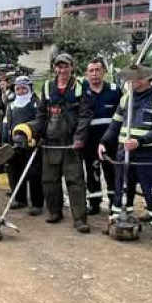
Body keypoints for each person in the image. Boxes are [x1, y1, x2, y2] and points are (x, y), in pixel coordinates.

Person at [100, 65, 152, 243]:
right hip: (124, 153)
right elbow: (115, 124)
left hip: (149, 155)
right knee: (122, 190)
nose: (128, 82)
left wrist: (139, 142)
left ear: (143, 79)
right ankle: (119, 220)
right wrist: (103, 142)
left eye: (132, 79)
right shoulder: (126, 98)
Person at [29, 52, 93, 233]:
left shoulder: (81, 86)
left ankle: (80, 219)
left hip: (71, 143)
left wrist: (80, 137)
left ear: (72, 67)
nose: (63, 69)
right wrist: (37, 134)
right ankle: (55, 212)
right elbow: (41, 114)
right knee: (49, 180)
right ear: (55, 68)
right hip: (50, 142)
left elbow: (85, 115)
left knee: (75, 181)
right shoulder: (48, 87)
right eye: (59, 66)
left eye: (66, 66)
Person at [82, 57, 121, 215]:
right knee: (92, 172)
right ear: (86, 74)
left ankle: (114, 201)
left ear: (104, 72)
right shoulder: (83, 93)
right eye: (91, 71)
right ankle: (94, 201)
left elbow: (122, 114)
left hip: (110, 139)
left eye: (98, 70)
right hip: (90, 140)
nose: (94, 74)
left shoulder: (114, 90)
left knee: (111, 171)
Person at [4, 75, 43, 216]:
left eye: (24, 88)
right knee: (15, 172)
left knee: (34, 174)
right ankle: (20, 199)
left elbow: (40, 121)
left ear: (30, 88)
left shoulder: (36, 104)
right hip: (15, 144)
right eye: (18, 88)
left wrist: (36, 137)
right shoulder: (11, 105)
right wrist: (6, 142)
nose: (21, 91)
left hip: (32, 144)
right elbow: (7, 125)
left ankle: (37, 203)